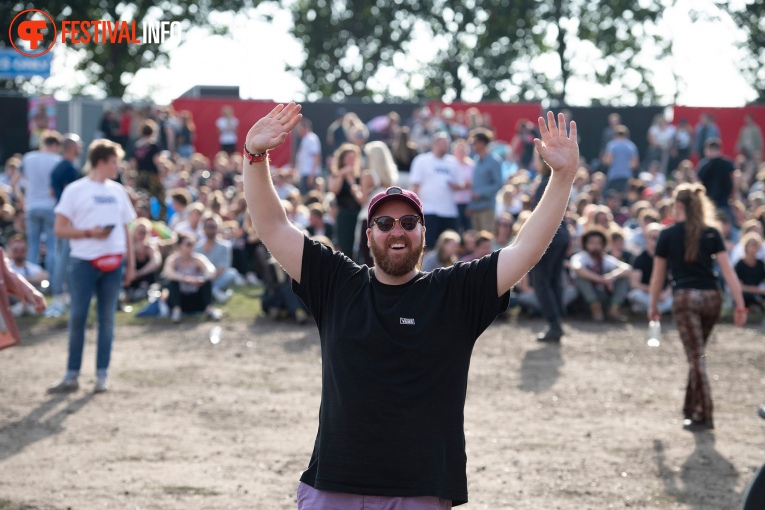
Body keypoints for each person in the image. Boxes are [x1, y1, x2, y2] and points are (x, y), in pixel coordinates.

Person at [241, 104, 578, 508]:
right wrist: (254, 158)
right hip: (334, 487)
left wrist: (562, 178)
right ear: (369, 236)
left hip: (420, 490)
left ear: (423, 232)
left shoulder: (454, 293)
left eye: (407, 223)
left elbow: (525, 249)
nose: (395, 231)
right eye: (384, 224)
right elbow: (273, 226)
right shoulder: (337, 283)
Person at [649, 182, 747, 432]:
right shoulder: (712, 232)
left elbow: (658, 277)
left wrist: (653, 305)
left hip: (685, 298)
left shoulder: (668, 234)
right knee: (698, 354)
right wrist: (739, 303)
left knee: (696, 358)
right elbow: (728, 272)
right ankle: (690, 408)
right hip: (712, 298)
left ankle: (705, 414)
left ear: (678, 206)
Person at [47, 139, 137, 394]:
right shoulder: (75, 190)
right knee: (77, 318)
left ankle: (101, 376)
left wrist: (130, 265)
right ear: (101, 161)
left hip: (114, 263)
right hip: (83, 263)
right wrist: (89, 233)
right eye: (114, 162)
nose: (117, 167)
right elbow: (59, 229)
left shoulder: (118, 191)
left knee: (107, 320)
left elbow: (126, 229)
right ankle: (72, 375)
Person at [530, 158, 571, 342]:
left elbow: (541, 214)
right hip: (561, 235)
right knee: (554, 281)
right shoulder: (558, 180)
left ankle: (554, 324)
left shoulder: (544, 183)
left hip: (548, 237)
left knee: (541, 282)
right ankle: (557, 323)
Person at [47, 133, 84, 317]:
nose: (81, 148)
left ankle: (63, 295)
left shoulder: (58, 168)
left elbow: (52, 191)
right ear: (71, 147)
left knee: (64, 257)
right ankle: (58, 296)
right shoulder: (69, 169)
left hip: (63, 217)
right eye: (78, 145)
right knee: (64, 259)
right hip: (68, 220)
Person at [410, 132, 465, 248]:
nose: (444, 146)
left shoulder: (453, 162)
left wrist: (456, 185)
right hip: (429, 210)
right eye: (442, 143)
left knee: (449, 246)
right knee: (428, 245)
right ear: (434, 144)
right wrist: (415, 209)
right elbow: (415, 186)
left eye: (446, 143)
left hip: (449, 211)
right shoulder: (422, 160)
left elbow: (460, 184)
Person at [21, 129, 62, 272]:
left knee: (33, 246)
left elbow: (15, 182)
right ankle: (51, 281)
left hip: (31, 206)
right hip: (50, 207)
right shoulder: (57, 160)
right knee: (52, 247)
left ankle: (30, 280)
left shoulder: (27, 158)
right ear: (55, 145)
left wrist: (22, 199)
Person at [571, 227, 632, 322]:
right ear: (585, 244)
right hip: (584, 300)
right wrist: (599, 279)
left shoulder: (605, 259)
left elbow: (627, 268)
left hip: (603, 296)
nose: (595, 246)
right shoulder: (579, 258)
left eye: (598, 243)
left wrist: (610, 277)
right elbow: (578, 269)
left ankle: (614, 310)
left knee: (623, 278)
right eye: (592, 242)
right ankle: (595, 309)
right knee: (581, 278)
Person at [161, 232, 221, 324]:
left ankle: (209, 309)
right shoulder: (173, 260)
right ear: (179, 246)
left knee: (207, 282)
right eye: (188, 244)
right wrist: (185, 279)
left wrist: (202, 279)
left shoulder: (198, 258)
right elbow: (168, 273)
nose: (192, 246)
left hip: (196, 299)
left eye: (193, 244)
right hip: (181, 299)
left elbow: (211, 270)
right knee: (172, 282)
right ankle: (176, 311)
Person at [627, 223, 673, 314]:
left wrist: (665, 294)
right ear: (646, 238)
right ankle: (657, 309)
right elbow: (635, 284)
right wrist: (655, 292)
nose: (657, 241)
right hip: (647, 294)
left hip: (664, 296)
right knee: (635, 295)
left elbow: (673, 280)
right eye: (654, 238)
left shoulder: (670, 257)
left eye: (660, 238)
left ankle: (653, 310)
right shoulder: (639, 258)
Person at [195, 215, 239, 303]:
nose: (211, 229)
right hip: (202, 278)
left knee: (232, 273)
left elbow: (223, 267)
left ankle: (212, 290)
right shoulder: (197, 247)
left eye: (213, 226)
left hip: (217, 278)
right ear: (204, 228)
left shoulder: (225, 246)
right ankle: (215, 292)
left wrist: (209, 280)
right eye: (209, 226)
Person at [468, 128, 503, 233]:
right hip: (475, 208)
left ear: (482, 143)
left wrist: (480, 193)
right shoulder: (476, 161)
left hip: (487, 207)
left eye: (474, 142)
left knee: (486, 239)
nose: (472, 145)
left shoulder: (494, 161)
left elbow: (498, 184)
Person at [296, 118, 322, 194]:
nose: (298, 130)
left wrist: (311, 176)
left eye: (299, 127)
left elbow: (316, 156)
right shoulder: (305, 139)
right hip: (305, 173)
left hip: (309, 174)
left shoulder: (311, 138)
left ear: (304, 127)